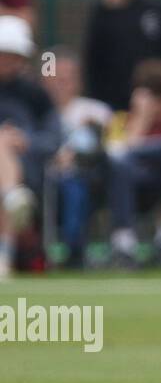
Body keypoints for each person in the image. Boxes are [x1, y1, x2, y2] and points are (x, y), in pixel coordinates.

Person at [103, 59, 161, 267]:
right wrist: (142, 119)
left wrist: (138, 150)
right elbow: (114, 155)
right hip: (129, 187)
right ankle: (124, 242)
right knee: (119, 160)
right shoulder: (120, 120)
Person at [41, 48, 112, 268]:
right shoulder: (38, 112)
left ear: (78, 81)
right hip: (43, 179)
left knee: (76, 186)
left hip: (88, 180)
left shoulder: (96, 110)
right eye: (55, 79)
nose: (60, 85)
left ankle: (74, 250)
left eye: (67, 79)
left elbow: (110, 149)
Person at [0, 17, 59, 278]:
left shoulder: (36, 95)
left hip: (29, 170)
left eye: (14, 56)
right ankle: (11, 196)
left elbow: (54, 139)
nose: (8, 62)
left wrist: (25, 141)